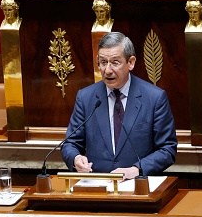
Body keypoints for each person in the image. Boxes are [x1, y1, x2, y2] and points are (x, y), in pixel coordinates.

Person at [61, 32, 177, 179]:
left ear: (131, 62)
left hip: (138, 188)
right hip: (97, 188)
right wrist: (76, 159)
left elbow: (167, 149)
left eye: (115, 62)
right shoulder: (86, 98)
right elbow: (70, 143)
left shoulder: (154, 98)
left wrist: (136, 170)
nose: (107, 70)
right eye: (103, 62)